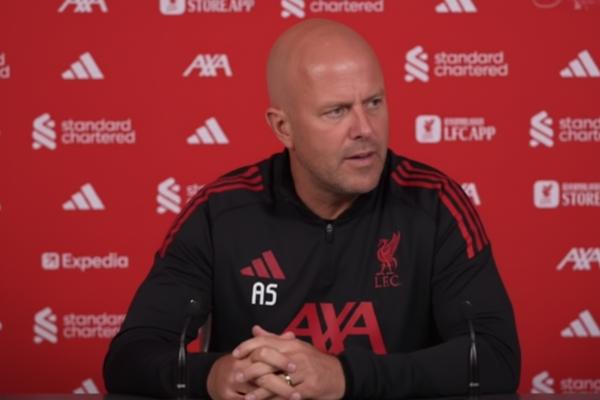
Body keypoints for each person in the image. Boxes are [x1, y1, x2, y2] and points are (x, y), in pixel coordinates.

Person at [104, 19, 520, 400]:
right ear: (283, 127)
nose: (365, 129)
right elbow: (130, 357)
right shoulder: (220, 213)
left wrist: (344, 377)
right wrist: (216, 376)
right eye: (336, 111)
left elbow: (495, 357)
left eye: (374, 102)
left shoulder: (435, 203)